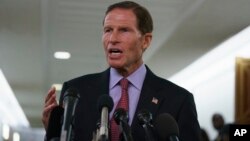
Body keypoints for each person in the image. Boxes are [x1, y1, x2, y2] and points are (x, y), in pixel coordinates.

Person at [42, 1, 201, 141]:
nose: (112, 39)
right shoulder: (75, 92)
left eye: (124, 30)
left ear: (145, 41)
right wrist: (53, 132)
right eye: (108, 30)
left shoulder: (178, 100)